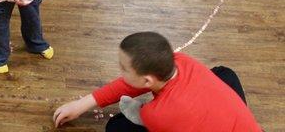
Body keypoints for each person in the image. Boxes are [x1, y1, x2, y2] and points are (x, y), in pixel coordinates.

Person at [53, 32, 262, 132]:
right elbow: (130, 84)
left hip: (176, 115)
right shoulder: (181, 60)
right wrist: (84, 103)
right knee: (223, 73)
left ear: (147, 80)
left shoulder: (157, 114)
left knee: (117, 128)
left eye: (124, 68)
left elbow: (133, 97)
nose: (120, 72)